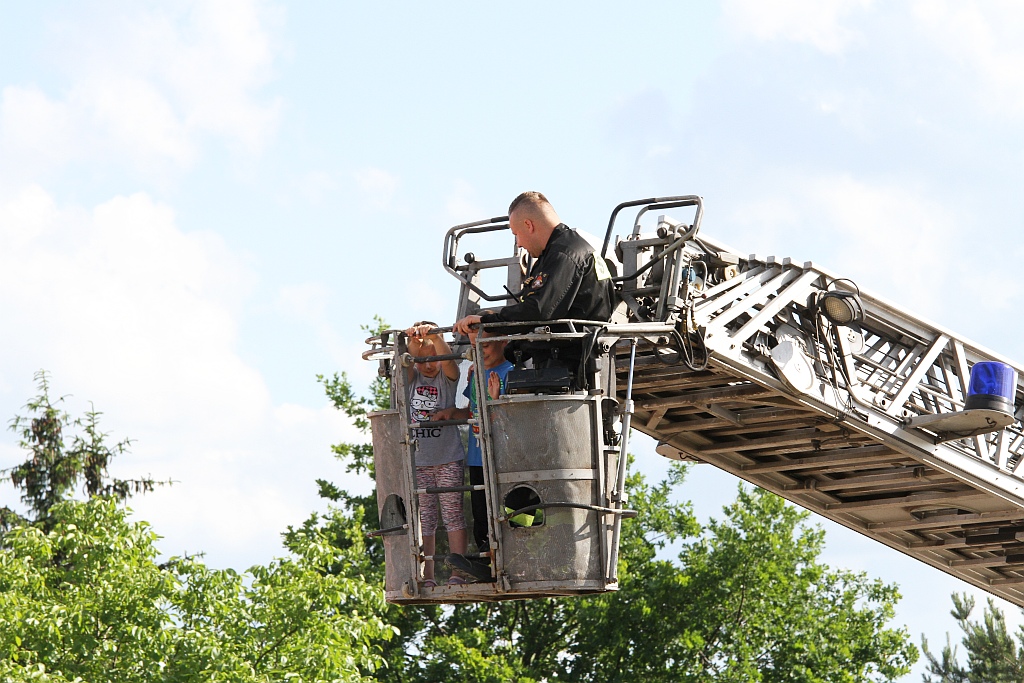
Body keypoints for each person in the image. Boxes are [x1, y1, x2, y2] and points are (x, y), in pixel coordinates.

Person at [452, 191, 615, 385]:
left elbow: (538, 310)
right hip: (566, 367)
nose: (519, 243)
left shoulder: (564, 254)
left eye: (516, 235)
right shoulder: (562, 252)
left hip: (572, 374)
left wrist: (486, 321)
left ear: (529, 225)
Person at [434, 328, 513, 581]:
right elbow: (471, 411)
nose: (481, 352)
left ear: (503, 341)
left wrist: (496, 400)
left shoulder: (511, 372)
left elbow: (516, 418)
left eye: (486, 346)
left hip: (502, 457)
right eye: (475, 347)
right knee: (481, 514)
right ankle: (486, 564)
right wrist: (450, 413)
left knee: (507, 510)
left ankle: (511, 562)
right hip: (478, 457)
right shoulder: (477, 372)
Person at [403, 322, 468, 587]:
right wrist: (412, 343)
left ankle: (458, 572)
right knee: (425, 518)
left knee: (453, 513)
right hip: (419, 460)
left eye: (433, 359)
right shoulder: (410, 381)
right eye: (423, 361)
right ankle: (426, 575)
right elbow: (405, 365)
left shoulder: (445, 378)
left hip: (448, 456)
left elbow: (450, 363)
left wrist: (436, 337)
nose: (429, 365)